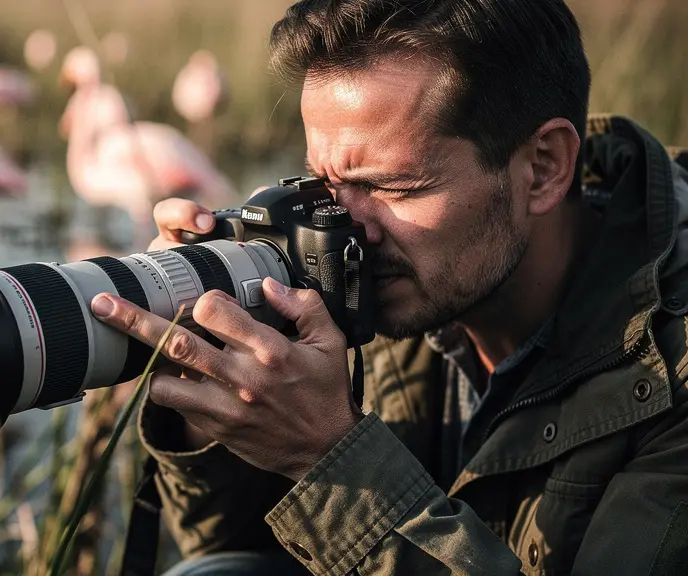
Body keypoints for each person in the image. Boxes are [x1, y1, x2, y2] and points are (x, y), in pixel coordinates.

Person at [89, 0, 688, 574]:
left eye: (394, 187)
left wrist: (329, 460)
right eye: (324, 184)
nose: (349, 230)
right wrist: (218, 384)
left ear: (544, 167)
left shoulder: (673, 365)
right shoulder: (383, 281)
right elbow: (227, 550)